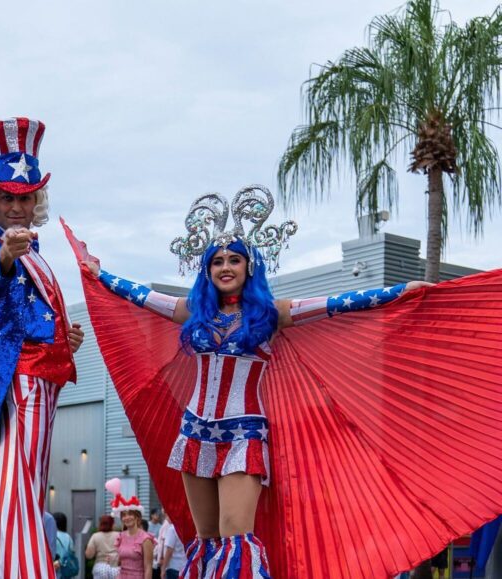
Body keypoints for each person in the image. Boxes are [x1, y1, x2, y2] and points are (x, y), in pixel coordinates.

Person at [68, 183, 499, 578]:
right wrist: (93, 271)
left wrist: (397, 291)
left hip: (243, 436)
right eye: (217, 261)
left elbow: (339, 303)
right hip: (195, 434)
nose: (225, 266)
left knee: (236, 538)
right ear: (207, 269)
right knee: (207, 542)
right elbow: (134, 293)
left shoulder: (271, 313)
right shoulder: (190, 312)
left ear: (248, 265)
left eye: (234, 259)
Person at [0, 117, 84, 579]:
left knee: (27, 486)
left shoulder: (37, 253)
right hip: (20, 374)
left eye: (25, 197)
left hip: (46, 375)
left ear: (37, 201)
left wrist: (65, 337)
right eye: (8, 197)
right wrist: (4, 257)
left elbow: (33, 314)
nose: (17, 206)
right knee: (16, 484)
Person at [106, 484, 154, 579]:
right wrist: (113, 560)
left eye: (130, 514)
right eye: (123, 515)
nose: (126, 518)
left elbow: (148, 567)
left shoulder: (145, 539)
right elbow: (120, 561)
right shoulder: (121, 536)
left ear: (137, 517)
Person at [85, 515, 118, 579]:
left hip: (100, 567)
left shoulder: (95, 536)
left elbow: (89, 555)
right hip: (115, 568)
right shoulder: (119, 535)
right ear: (112, 524)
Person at [52, 513, 77, 579]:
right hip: (66, 572)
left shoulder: (52, 535)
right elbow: (72, 553)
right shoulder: (68, 537)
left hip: (54, 571)